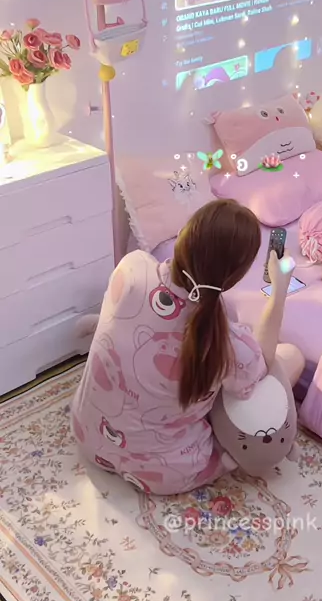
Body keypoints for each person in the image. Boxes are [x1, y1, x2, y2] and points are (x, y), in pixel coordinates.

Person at [71, 200, 305, 496]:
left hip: (89, 435)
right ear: (235, 277)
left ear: (184, 234)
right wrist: (279, 291)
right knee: (289, 358)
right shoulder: (229, 344)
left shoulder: (132, 267)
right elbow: (262, 364)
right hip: (165, 471)